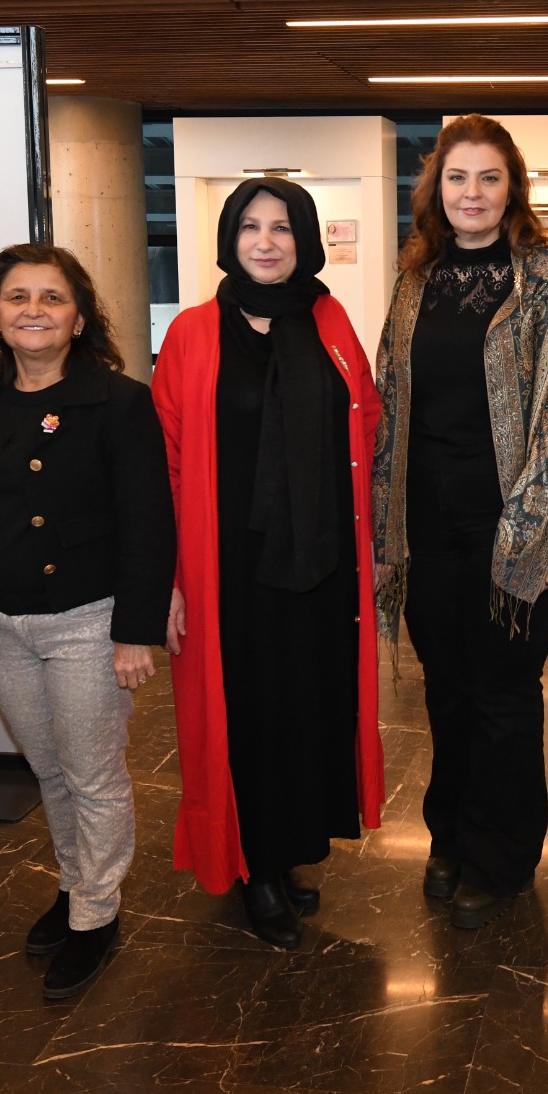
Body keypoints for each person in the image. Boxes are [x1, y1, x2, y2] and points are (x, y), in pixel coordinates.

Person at [374, 115, 548, 930]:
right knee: (447, 689)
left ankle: (502, 854)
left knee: (503, 693)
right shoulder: (415, 281)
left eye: (489, 178)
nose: (472, 193)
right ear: (437, 189)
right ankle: (450, 833)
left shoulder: (543, 280)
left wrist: (535, 518)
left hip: (518, 528)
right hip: (426, 526)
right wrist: (384, 525)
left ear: (512, 189)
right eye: (458, 178)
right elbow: (391, 400)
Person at [153, 179, 383, 949]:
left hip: (318, 567)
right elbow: (166, 461)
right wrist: (170, 579)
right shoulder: (193, 333)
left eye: (282, 227)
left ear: (304, 239)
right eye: (249, 226)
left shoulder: (329, 321)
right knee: (245, 716)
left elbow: (367, 423)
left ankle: (284, 852)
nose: (265, 241)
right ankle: (250, 867)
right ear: (229, 238)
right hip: (228, 572)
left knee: (304, 710)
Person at [0, 245, 175, 1000]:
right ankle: (76, 885)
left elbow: (148, 521)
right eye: (17, 297)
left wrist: (135, 629)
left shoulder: (118, 401)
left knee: (92, 774)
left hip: (87, 621)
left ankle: (96, 914)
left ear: (79, 318)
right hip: (0, 621)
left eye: (52, 297)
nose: (33, 310)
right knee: (48, 769)